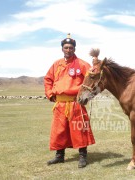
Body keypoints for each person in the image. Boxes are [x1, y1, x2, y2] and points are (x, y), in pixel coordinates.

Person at [44, 33, 95, 168]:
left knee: (79, 130)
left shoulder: (83, 64)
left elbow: (92, 80)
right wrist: (50, 94)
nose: (68, 50)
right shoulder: (56, 64)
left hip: (75, 103)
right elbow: (48, 79)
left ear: (74, 49)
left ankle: (83, 157)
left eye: (71, 48)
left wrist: (87, 95)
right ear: (62, 49)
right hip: (60, 104)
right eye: (66, 47)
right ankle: (59, 156)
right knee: (59, 130)